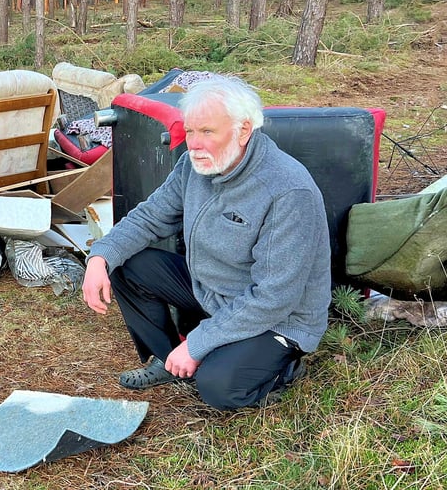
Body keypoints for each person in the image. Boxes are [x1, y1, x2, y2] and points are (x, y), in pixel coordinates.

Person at [81, 76, 331, 410]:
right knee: (125, 263)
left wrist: (197, 343)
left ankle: (282, 369)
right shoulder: (192, 166)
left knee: (217, 388)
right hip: (214, 292)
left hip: (278, 317)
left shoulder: (287, 191)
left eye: (207, 132)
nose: (193, 143)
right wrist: (100, 257)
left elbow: (274, 297)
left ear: (243, 130)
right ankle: (165, 357)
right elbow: (149, 217)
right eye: (191, 131)